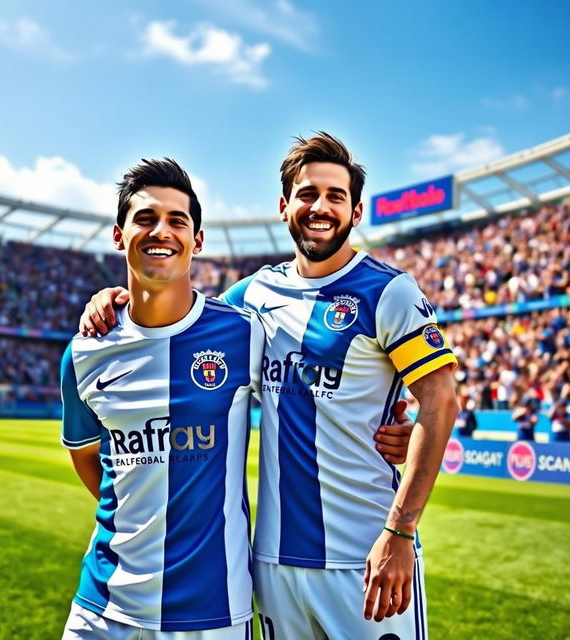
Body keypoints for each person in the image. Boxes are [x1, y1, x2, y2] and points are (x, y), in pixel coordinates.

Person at [79, 133, 459, 639]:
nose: (319, 206)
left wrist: (399, 531)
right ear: (285, 207)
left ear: (356, 211)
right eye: (306, 194)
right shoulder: (253, 297)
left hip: (366, 555)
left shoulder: (389, 291)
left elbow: (441, 400)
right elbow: (178, 310)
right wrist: (117, 298)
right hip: (272, 564)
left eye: (334, 195)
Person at [60, 158, 265, 638]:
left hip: (212, 610)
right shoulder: (85, 351)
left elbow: (319, 396)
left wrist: (397, 426)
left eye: (178, 220)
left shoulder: (244, 333)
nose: (161, 231)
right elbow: (86, 456)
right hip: (102, 605)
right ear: (119, 234)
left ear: (197, 241)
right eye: (146, 218)